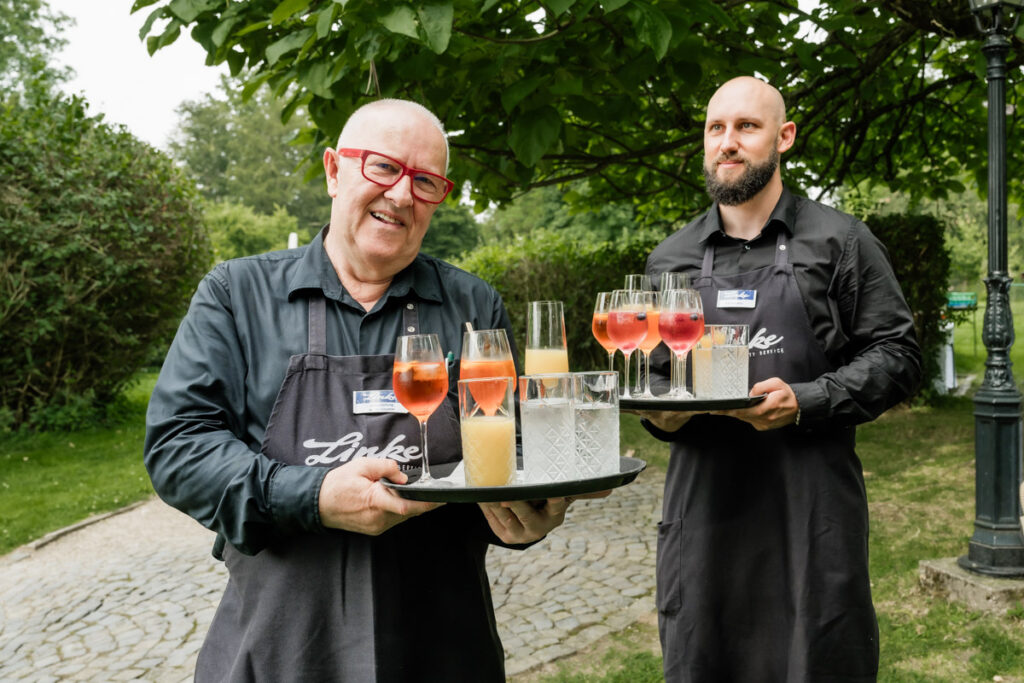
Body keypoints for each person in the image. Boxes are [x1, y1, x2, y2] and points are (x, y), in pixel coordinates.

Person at [144, 98, 573, 681]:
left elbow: (507, 458)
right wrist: (312, 495)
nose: (401, 194)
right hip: (280, 650)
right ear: (333, 171)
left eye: (425, 181)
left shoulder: (473, 305)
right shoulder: (235, 294)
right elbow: (177, 446)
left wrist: (524, 519)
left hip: (443, 648)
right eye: (382, 167)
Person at [640, 77, 922, 682]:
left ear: (784, 137)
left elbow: (899, 353)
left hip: (811, 510)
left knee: (819, 659)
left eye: (747, 126)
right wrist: (659, 413)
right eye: (716, 128)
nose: (728, 142)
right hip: (705, 512)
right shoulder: (671, 259)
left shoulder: (840, 241)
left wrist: (810, 400)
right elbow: (656, 378)